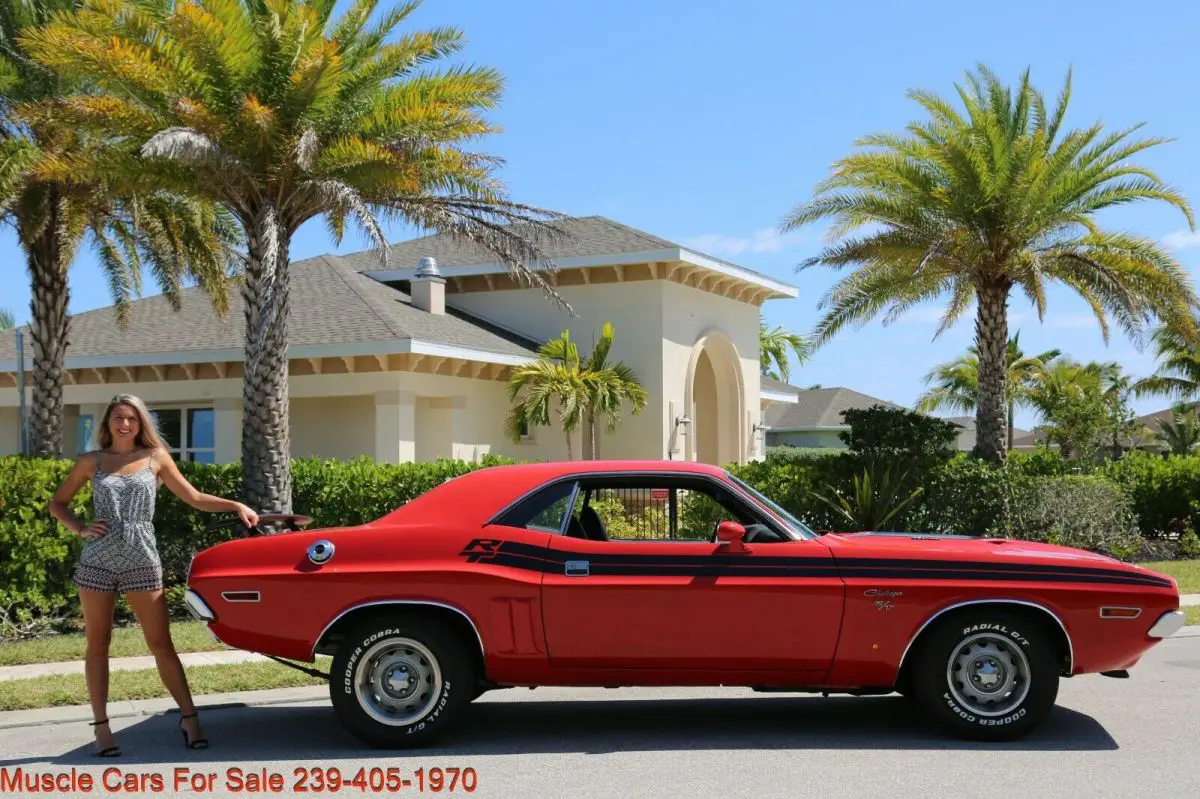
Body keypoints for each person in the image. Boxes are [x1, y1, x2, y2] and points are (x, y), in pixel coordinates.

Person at [49, 394, 259, 757]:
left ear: (140, 422)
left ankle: (190, 719)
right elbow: (58, 503)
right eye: (118, 417)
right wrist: (80, 528)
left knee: (161, 643)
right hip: (98, 559)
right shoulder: (92, 461)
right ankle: (102, 729)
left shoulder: (156, 458)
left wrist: (236, 505)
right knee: (98, 643)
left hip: (143, 558)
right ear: (108, 423)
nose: (125, 424)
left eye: (131, 418)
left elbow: (193, 497)